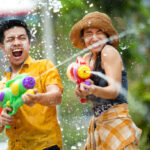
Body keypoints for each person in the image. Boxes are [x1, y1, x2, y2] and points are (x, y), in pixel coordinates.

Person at [69, 11, 142, 150]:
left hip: (116, 122)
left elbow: (114, 91)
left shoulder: (108, 52)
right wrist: (81, 92)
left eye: (100, 32)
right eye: (89, 33)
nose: (94, 38)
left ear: (107, 36)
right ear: (83, 38)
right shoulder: (86, 59)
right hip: (98, 123)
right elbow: (89, 94)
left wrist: (93, 89)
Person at [0, 19, 63, 150]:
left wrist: (37, 98)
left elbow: (57, 96)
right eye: (10, 39)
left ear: (29, 43)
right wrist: (2, 120)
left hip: (46, 146)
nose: (16, 42)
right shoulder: (2, 84)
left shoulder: (44, 66)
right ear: (2, 47)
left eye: (21, 38)